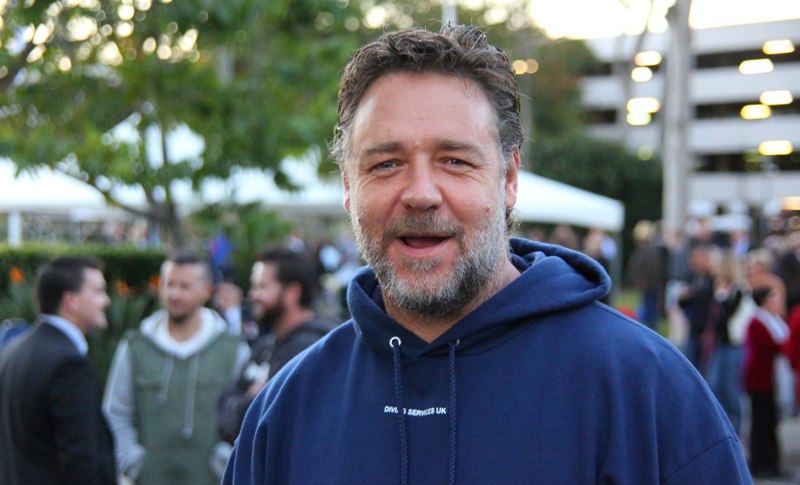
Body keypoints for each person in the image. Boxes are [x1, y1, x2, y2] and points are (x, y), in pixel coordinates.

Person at [223, 25, 750, 483]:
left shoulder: (646, 389)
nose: (421, 193)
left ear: (509, 178)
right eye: (385, 164)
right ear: (348, 186)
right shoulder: (285, 411)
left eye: (454, 160)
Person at [104, 253, 249, 485]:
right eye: (169, 284)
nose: (174, 294)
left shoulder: (233, 348)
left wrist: (225, 459)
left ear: (206, 291)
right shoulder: (135, 345)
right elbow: (116, 412)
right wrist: (132, 462)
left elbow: (245, 415)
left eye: (184, 286)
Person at [0, 256, 116, 484]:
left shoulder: (13, 351)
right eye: (98, 291)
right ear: (71, 300)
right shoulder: (69, 365)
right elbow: (80, 461)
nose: (106, 301)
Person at [217, 246, 333, 444]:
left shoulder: (310, 352)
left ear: (292, 293)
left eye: (262, 287)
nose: (252, 295)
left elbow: (269, 427)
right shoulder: (265, 345)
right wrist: (249, 403)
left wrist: (247, 404)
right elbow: (223, 409)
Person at [744, 287, 790, 478]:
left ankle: (771, 462)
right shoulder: (757, 322)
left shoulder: (774, 320)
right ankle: (761, 463)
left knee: (770, 422)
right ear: (764, 301)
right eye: (773, 298)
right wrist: (788, 345)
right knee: (761, 423)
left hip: (771, 379)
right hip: (760, 380)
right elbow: (768, 347)